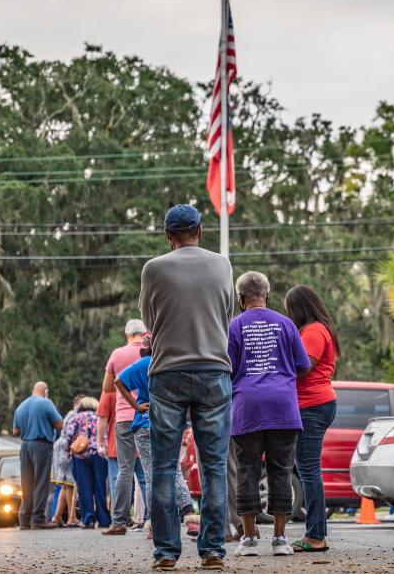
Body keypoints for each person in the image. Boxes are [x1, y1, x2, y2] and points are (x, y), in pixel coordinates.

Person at [139, 203, 233, 571]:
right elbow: (226, 312)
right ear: (201, 230)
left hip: (168, 373)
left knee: (163, 465)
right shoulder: (222, 264)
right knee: (213, 466)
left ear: (167, 235)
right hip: (213, 370)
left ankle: (166, 552)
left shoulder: (154, 268)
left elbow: (149, 318)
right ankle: (211, 550)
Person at [228, 271, 311, 558]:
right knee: (281, 471)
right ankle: (280, 539)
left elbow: (227, 367)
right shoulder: (286, 324)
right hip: (282, 407)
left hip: (247, 407)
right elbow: (303, 365)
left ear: (240, 298)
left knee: (247, 470)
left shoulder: (235, 326)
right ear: (267, 294)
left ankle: (249, 538)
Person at [114, 340, 198, 541]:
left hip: (145, 424)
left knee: (152, 475)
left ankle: (156, 525)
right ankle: (190, 517)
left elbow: (118, 381)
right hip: (170, 423)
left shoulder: (144, 363)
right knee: (174, 471)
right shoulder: (172, 363)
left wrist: (136, 405)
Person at [284, 284, 340, 553]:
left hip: (313, 406)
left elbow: (304, 367)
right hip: (313, 405)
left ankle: (316, 535)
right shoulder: (313, 329)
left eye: (289, 310)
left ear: (299, 308)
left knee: (308, 470)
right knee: (307, 469)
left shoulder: (314, 330)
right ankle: (315, 532)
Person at [100, 319, 151, 536]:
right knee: (149, 470)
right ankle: (152, 519)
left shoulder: (117, 354)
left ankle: (119, 522)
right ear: (144, 333)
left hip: (123, 418)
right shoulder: (154, 350)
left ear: (127, 334)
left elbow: (107, 388)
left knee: (124, 469)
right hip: (148, 414)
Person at [12, 381, 64, 530]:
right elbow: (60, 423)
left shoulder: (21, 406)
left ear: (32, 390)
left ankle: (24, 519)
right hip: (41, 445)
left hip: (25, 446)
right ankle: (38, 519)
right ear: (45, 391)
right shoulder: (45, 403)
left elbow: (15, 431)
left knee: (26, 484)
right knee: (41, 482)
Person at [67, 396, 111, 530]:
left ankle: (88, 519)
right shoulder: (99, 416)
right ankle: (103, 519)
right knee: (100, 487)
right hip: (99, 454)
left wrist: (69, 450)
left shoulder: (76, 417)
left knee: (84, 488)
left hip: (81, 456)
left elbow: (69, 435)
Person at [51, 395, 83, 527]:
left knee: (65, 485)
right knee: (69, 483)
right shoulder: (74, 414)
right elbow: (72, 433)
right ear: (76, 403)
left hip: (62, 447)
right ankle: (72, 517)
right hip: (67, 448)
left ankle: (57, 517)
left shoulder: (70, 414)